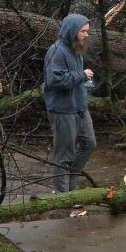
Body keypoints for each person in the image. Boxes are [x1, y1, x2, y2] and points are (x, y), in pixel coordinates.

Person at [44, 13, 97, 193]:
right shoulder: (57, 51)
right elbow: (54, 80)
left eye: (87, 31)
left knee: (89, 144)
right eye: (83, 31)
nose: (86, 35)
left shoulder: (77, 49)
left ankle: (72, 184)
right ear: (72, 31)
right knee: (64, 155)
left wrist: (85, 83)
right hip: (63, 110)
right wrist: (81, 76)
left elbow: (74, 78)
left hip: (80, 108)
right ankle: (61, 195)